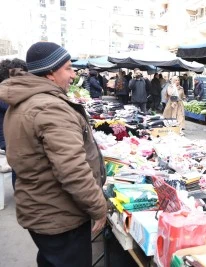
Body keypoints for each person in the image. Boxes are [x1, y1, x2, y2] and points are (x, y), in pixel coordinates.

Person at [0, 42, 107, 266]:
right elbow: (72, 170)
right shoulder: (50, 107)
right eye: (68, 68)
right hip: (60, 214)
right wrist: (98, 208)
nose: (73, 73)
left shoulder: (25, 102)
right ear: (50, 72)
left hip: (41, 207)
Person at [0, 58, 28, 190]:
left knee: (18, 167)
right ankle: (20, 193)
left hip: (9, 137)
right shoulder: (6, 93)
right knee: (18, 168)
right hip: (9, 137)